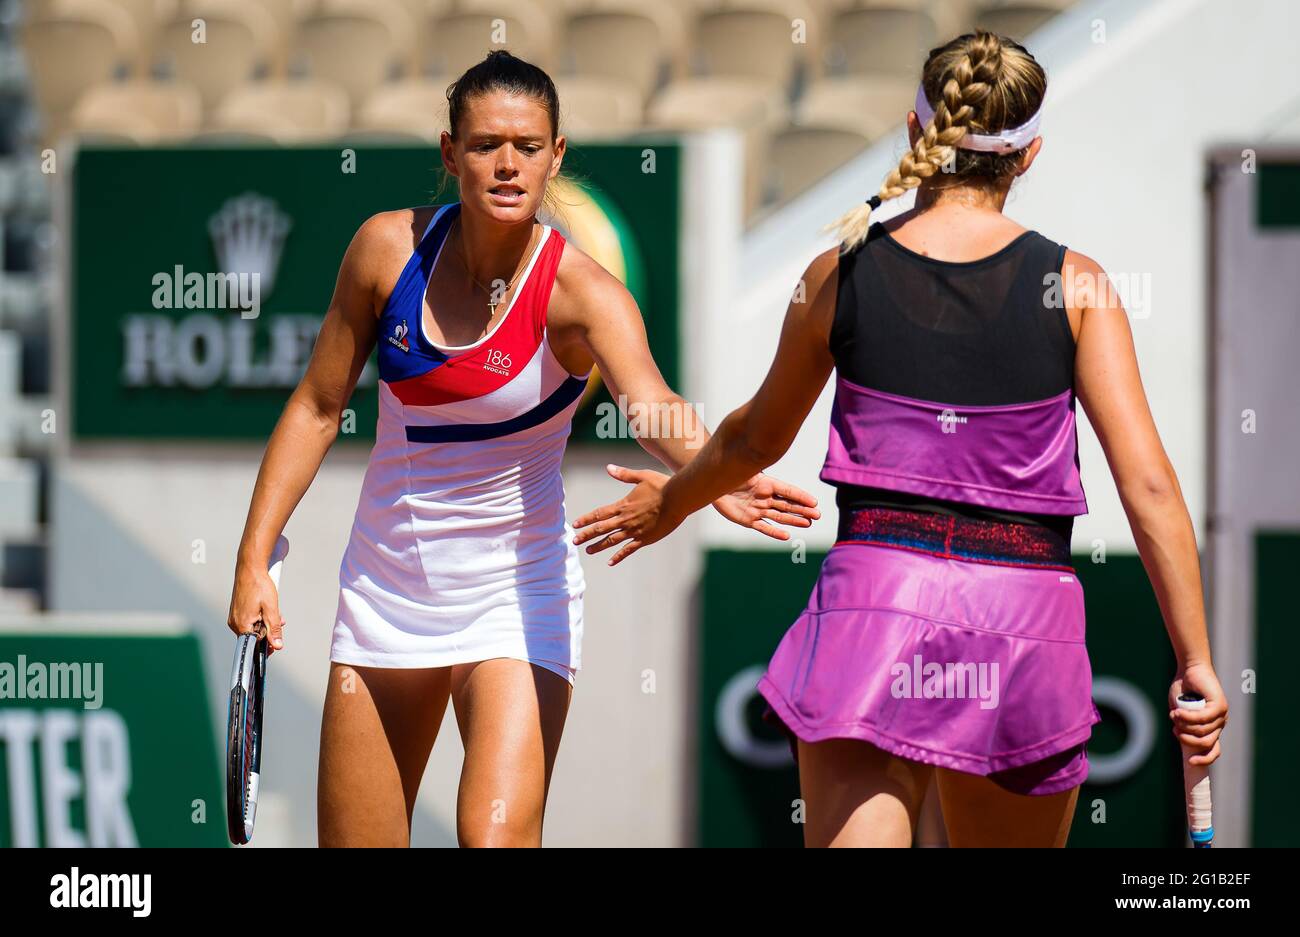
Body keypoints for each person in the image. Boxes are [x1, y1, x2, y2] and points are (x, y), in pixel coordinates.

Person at [573, 30, 1227, 847]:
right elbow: (1151, 488)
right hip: (1020, 619)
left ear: (916, 131)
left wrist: (674, 500)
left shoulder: (836, 272)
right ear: (1027, 157)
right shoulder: (1081, 286)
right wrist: (1195, 658)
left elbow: (750, 441)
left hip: (873, 604)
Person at [225, 50, 818, 847]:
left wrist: (716, 470)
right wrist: (254, 557)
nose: (508, 164)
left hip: (516, 599)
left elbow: (653, 401)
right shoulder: (383, 252)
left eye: (529, 146)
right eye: (485, 144)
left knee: (493, 837)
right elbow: (317, 406)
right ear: (448, 152)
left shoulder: (582, 292)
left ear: (556, 155)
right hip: (385, 595)